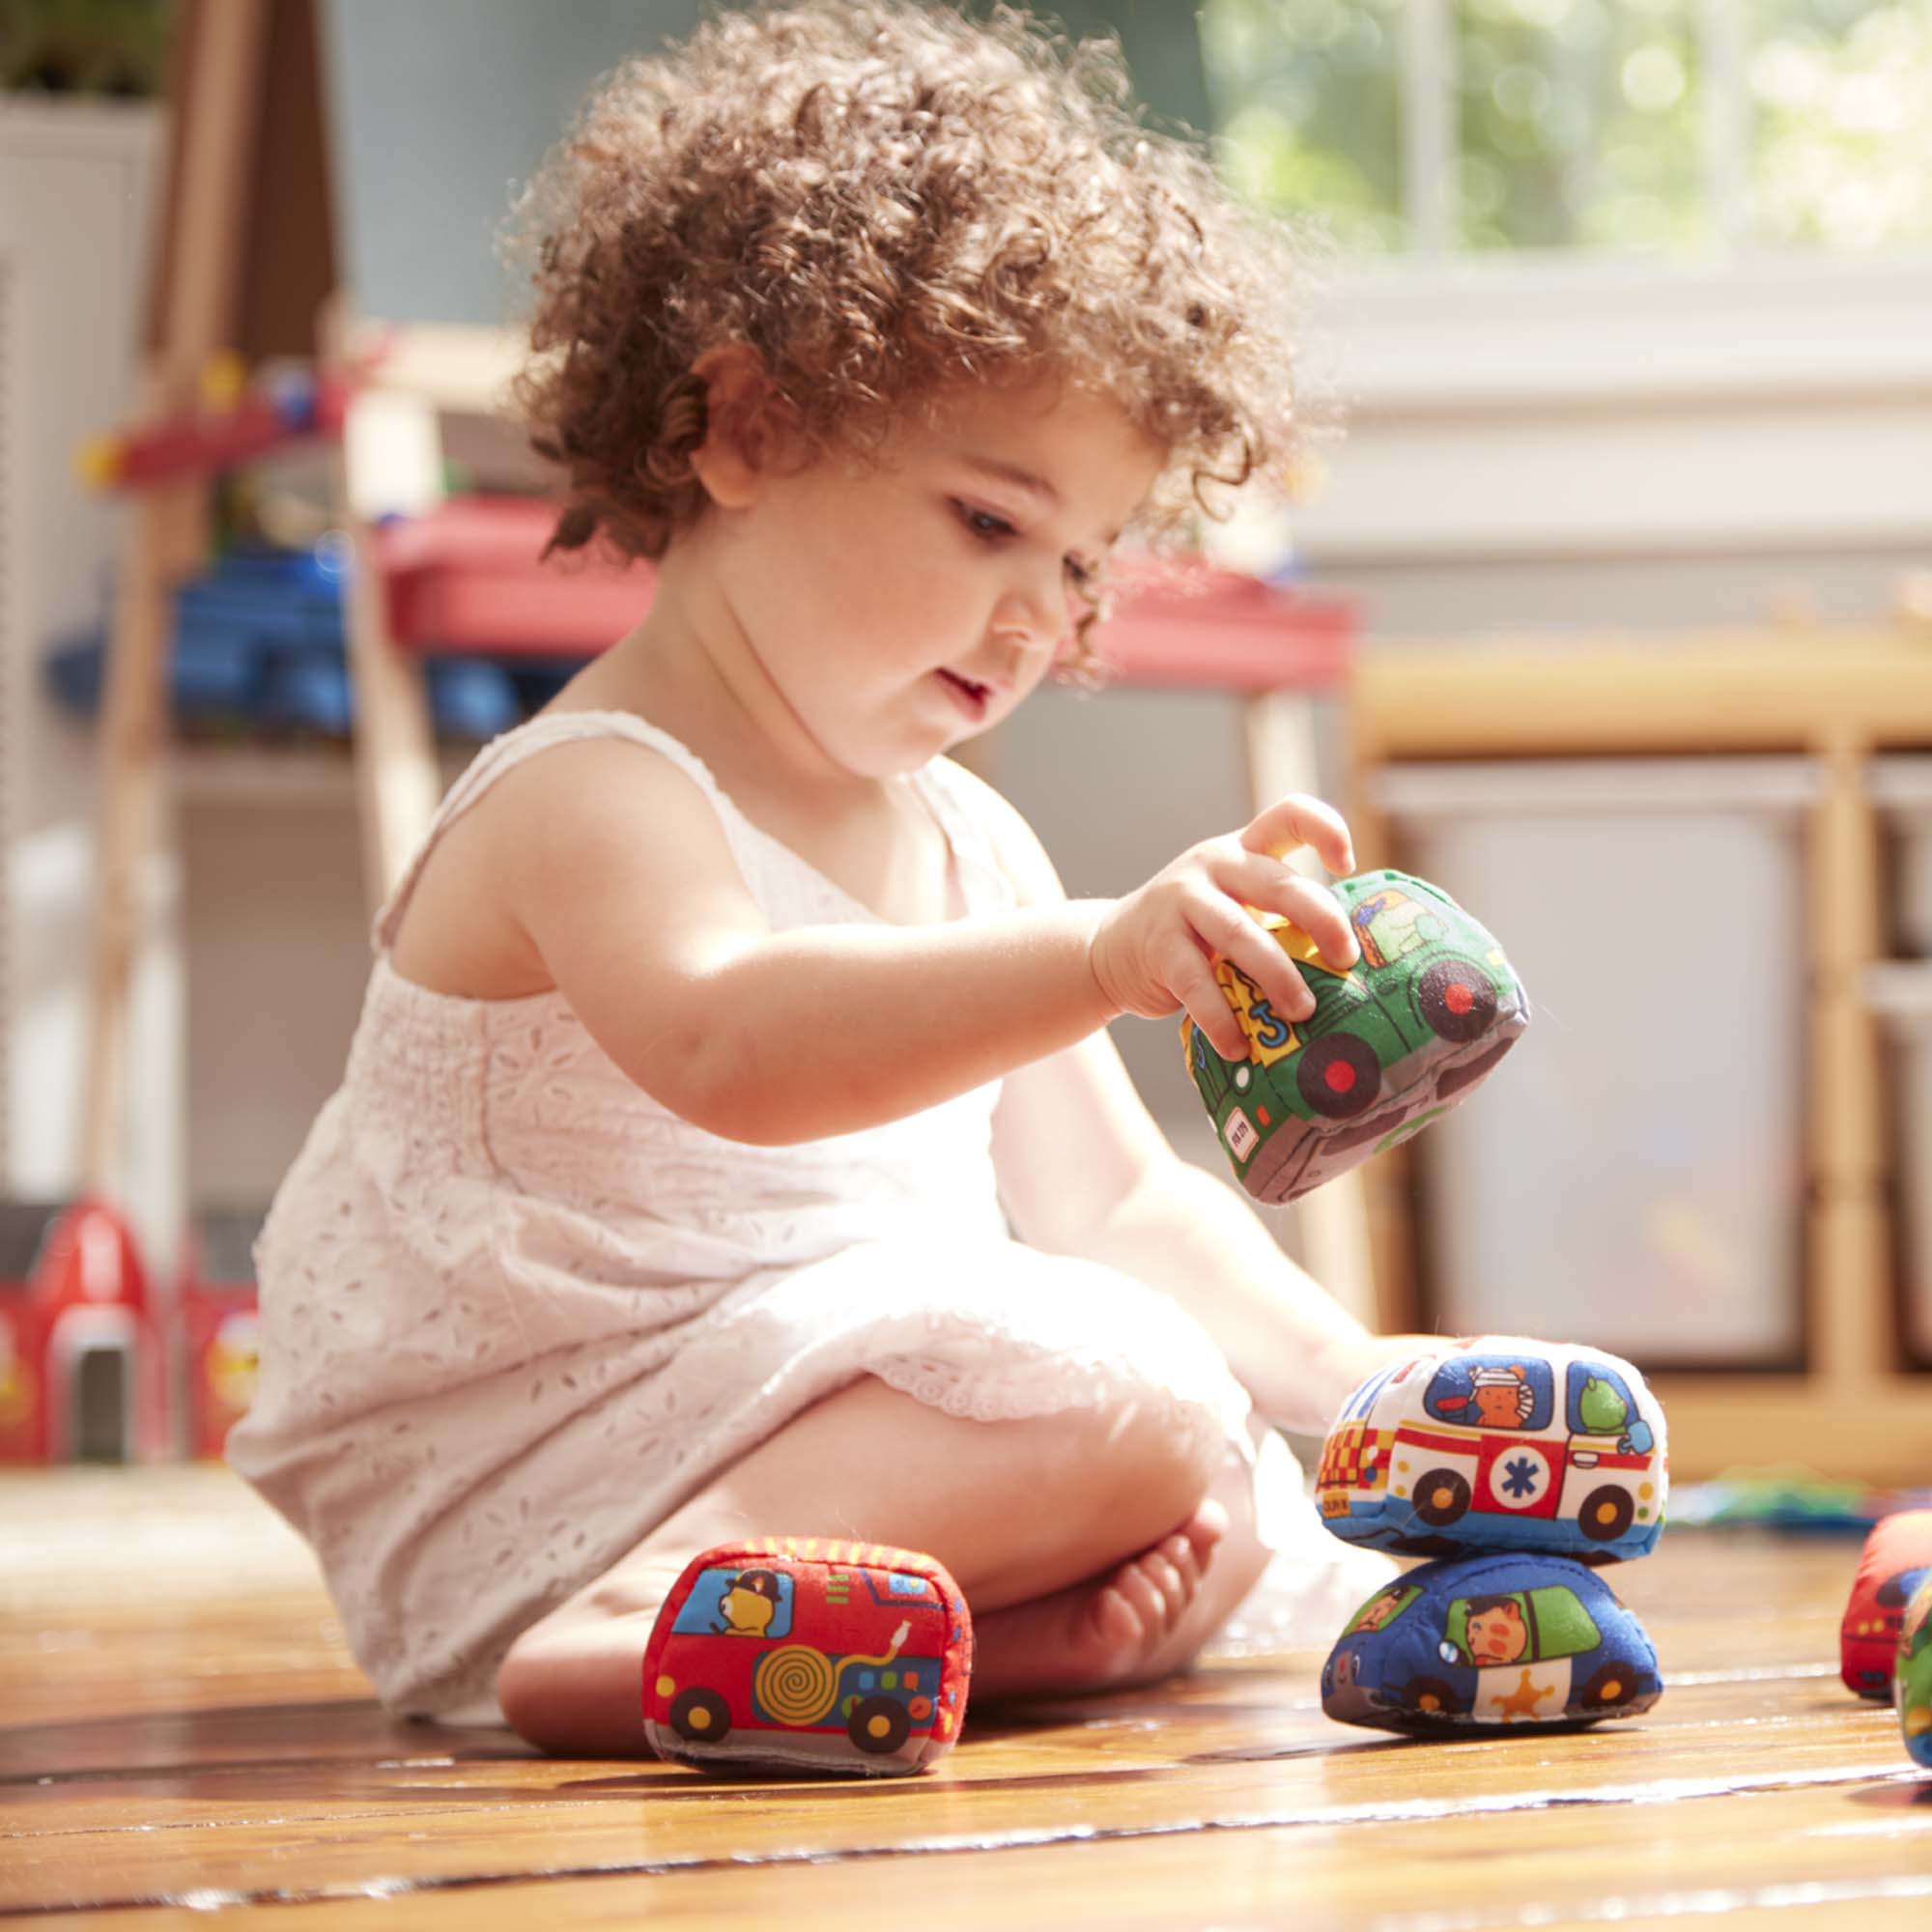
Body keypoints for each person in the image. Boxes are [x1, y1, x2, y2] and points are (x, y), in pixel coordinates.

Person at [226, 0, 1414, 1757]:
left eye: (1084, 565)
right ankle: (634, 1616)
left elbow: (1114, 1206)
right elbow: (735, 1041)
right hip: (541, 1479)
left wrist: (1362, 1389)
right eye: (990, 522)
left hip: (813, 1418)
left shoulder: (965, 838)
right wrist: (1101, 956)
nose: (1041, 617)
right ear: (747, 432)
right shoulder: (595, 792)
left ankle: (927, 1647)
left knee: (1229, 1493)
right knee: (1141, 1396)